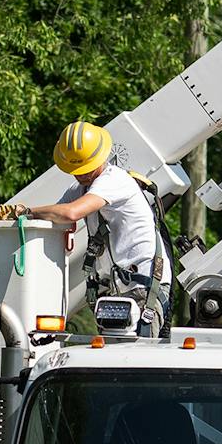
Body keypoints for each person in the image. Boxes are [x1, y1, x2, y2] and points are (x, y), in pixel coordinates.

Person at [19, 121, 168, 334]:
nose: (80, 174)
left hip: (142, 288)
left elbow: (71, 213)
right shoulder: (83, 187)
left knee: (134, 360)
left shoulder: (114, 180)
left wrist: (27, 211)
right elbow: (62, 216)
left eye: (84, 169)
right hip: (119, 289)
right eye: (75, 170)